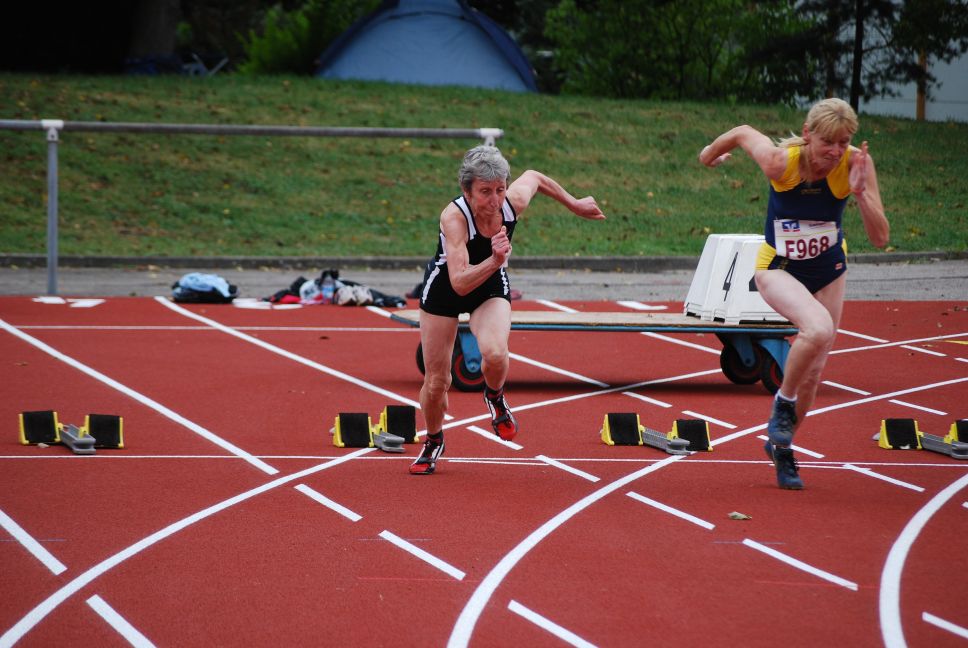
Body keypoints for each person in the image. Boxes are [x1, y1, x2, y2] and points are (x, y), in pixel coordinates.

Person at [699, 98, 889, 490]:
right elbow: (742, 132)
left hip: (829, 268)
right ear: (807, 135)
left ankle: (781, 447)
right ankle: (783, 405)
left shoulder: (855, 164)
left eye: (843, 142)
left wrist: (860, 194)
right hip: (778, 268)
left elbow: (880, 237)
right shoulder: (780, 162)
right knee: (818, 329)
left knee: (814, 371)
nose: (835, 152)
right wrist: (708, 155)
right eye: (827, 143)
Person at [410, 145, 606, 475]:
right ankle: (433, 439)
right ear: (467, 191)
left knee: (496, 352)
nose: (495, 200)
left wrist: (574, 204)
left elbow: (535, 177)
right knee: (437, 382)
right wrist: (495, 260)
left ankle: (495, 396)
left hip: (488, 286)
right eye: (485, 192)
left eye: (500, 189)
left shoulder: (511, 202)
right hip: (446, 289)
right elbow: (459, 283)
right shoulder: (454, 218)